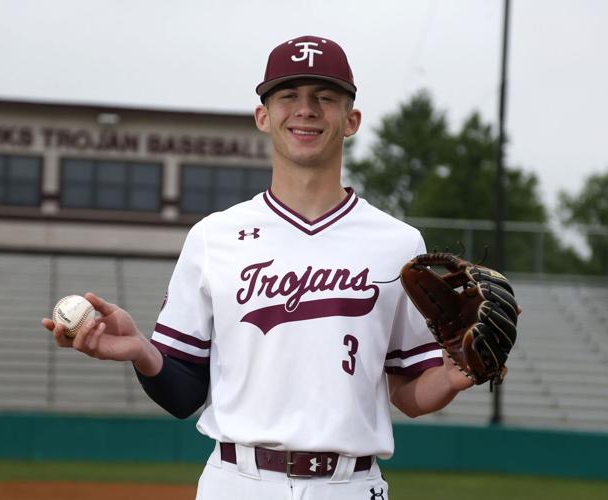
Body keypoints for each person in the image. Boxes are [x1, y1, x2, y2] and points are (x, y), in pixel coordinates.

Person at [42, 35, 474, 499]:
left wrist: (449, 377)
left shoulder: (399, 244)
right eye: (288, 96)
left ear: (351, 121)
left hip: (351, 485)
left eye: (324, 98)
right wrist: (142, 352)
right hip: (237, 481)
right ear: (263, 116)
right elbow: (183, 394)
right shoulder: (215, 236)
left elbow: (407, 392)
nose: (305, 110)